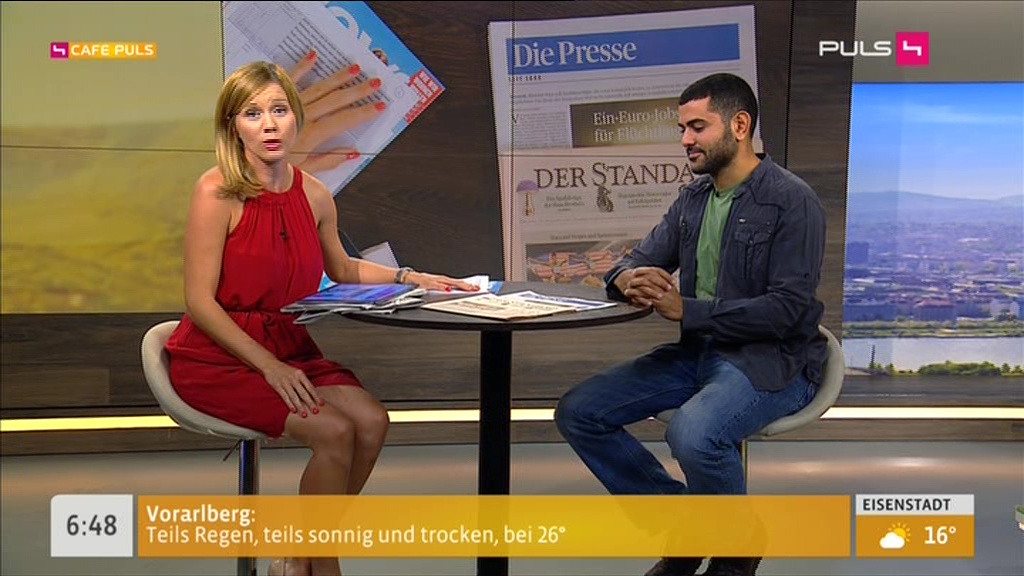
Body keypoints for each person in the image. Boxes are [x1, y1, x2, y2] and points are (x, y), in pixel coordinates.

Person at [164, 61, 477, 576]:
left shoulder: (314, 194)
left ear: (296, 116)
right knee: (333, 432)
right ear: (233, 127)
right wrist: (270, 367)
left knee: (371, 422)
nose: (269, 125)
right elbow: (200, 301)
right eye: (252, 114)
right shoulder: (216, 192)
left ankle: (297, 555)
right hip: (220, 356)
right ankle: (324, 566)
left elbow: (343, 269)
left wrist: (411, 277)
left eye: (279, 110)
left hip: (290, 345)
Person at [554, 73, 827, 576]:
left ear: (739, 126)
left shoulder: (792, 200)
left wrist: (689, 310)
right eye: (682, 128)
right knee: (579, 411)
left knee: (693, 434)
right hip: (697, 355)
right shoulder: (694, 199)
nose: (685, 140)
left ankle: (733, 553)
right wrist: (626, 277)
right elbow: (636, 260)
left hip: (774, 361)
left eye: (698, 127)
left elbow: (789, 309)